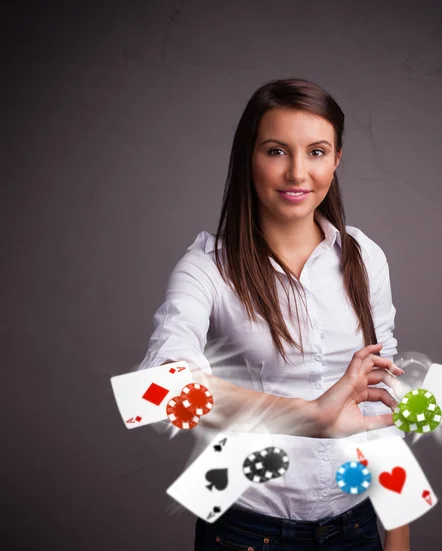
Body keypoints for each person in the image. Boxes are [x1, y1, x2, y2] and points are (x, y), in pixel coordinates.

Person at [137, 78, 410, 550]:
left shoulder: (365, 256)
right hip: (247, 533)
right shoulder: (207, 269)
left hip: (356, 527)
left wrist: (399, 538)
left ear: (337, 159)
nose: (298, 173)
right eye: (277, 151)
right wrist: (312, 416)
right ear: (249, 157)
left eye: (317, 152)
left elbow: (380, 404)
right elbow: (159, 393)